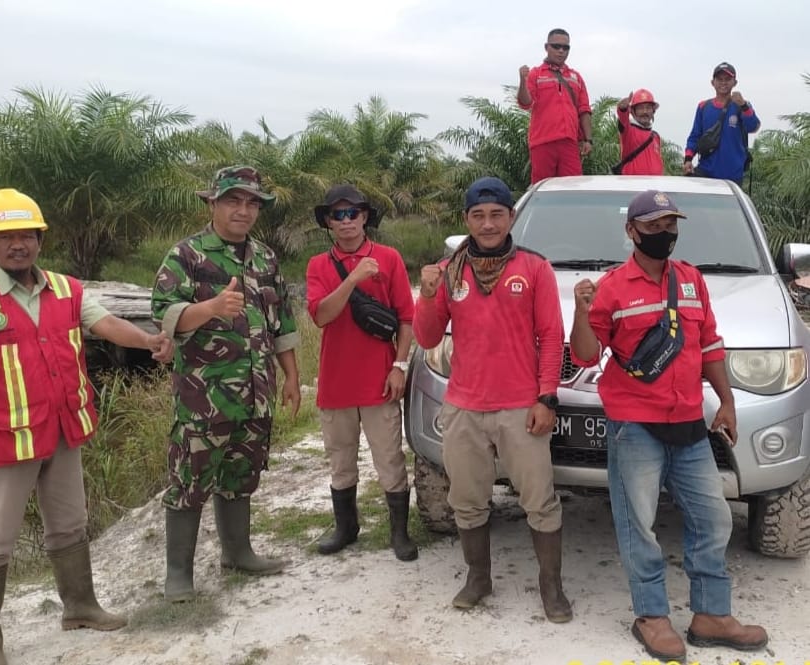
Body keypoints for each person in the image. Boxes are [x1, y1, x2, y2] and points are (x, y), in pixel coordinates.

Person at [0, 188, 173, 665]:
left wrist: (148, 340)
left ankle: (81, 606)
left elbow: (106, 324)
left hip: (63, 429)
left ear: (40, 240)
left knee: (70, 524)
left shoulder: (67, 289)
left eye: (26, 234)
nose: (17, 244)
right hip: (7, 439)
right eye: (5, 237)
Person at [569, 190, 768, 662]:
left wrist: (727, 401)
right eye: (653, 226)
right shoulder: (613, 287)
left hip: (689, 422)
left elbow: (710, 344)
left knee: (713, 518)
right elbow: (584, 354)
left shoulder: (693, 280)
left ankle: (711, 615)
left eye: (670, 225)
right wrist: (581, 309)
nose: (664, 234)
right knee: (638, 523)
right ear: (632, 231)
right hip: (635, 424)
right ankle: (651, 615)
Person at [413, 176, 571, 620]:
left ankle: (551, 586)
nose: (487, 224)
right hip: (464, 406)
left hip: (520, 406)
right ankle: (478, 577)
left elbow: (551, 335)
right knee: (466, 498)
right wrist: (426, 296)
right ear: (466, 219)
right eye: (478, 216)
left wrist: (547, 398)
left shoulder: (534, 268)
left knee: (538, 499)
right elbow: (426, 336)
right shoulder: (449, 272)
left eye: (496, 214)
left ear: (511, 217)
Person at [151, 165, 301, 602]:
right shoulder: (187, 255)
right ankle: (178, 574)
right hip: (204, 398)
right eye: (233, 201)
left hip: (256, 394)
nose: (243, 210)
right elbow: (165, 315)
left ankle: (238, 552)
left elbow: (282, 323)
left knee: (241, 474)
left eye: (252, 203)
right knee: (190, 481)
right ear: (212, 203)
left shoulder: (266, 258)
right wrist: (211, 308)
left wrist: (291, 376)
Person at [305, 184, 417, 562]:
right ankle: (346, 526)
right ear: (328, 223)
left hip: (379, 380)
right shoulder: (318, 266)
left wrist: (400, 366)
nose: (347, 221)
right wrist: (352, 279)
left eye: (353, 213)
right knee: (340, 460)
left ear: (365, 217)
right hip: (335, 383)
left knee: (389, 459)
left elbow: (406, 318)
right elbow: (321, 315)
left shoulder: (389, 258)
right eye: (338, 215)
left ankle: (399, 532)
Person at [517, 28, 593, 184]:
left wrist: (588, 140)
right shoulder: (535, 74)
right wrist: (522, 82)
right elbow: (525, 103)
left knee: (573, 188)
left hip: (569, 142)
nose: (561, 51)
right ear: (546, 47)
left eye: (566, 47)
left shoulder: (576, 77)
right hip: (543, 142)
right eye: (556, 46)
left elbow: (584, 110)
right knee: (543, 189)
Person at [683, 62, 760, 185]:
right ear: (712, 82)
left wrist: (744, 106)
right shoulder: (703, 106)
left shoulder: (741, 105)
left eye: (727, 79)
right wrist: (688, 159)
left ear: (735, 82)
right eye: (719, 79)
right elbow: (694, 136)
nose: (723, 82)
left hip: (732, 175)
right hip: (706, 172)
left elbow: (753, 127)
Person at [615, 89, 664, 176]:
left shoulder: (656, 136)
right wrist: (622, 109)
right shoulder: (628, 130)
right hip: (633, 186)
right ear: (633, 111)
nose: (645, 111)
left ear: (653, 111)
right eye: (641, 108)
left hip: (655, 185)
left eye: (648, 108)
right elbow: (623, 118)